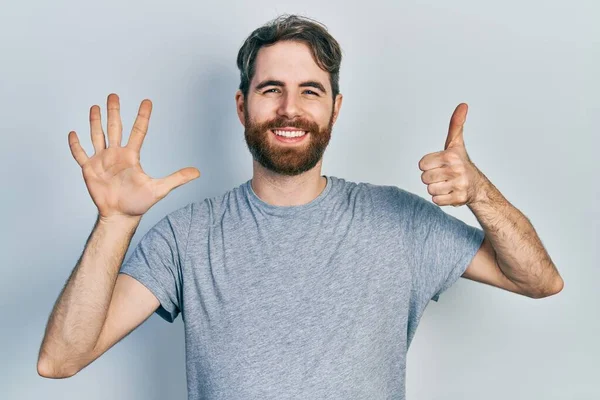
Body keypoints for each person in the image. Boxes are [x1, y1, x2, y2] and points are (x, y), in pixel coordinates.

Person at [37, 14, 564, 400]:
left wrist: (480, 195)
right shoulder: (187, 237)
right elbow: (61, 359)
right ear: (243, 106)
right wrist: (116, 222)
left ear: (334, 108)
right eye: (271, 90)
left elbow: (538, 279)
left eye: (310, 91)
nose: (290, 109)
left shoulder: (399, 222)